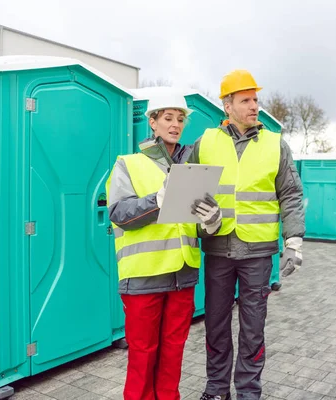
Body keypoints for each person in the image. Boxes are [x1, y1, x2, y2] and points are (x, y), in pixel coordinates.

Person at [187, 70, 306, 400]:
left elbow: (291, 194)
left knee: (253, 328)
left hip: (257, 253)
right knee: (216, 324)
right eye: (246, 100)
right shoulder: (206, 142)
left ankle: (249, 392)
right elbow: (189, 192)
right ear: (227, 105)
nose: (254, 106)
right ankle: (216, 389)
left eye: (256, 99)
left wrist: (293, 240)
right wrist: (202, 222)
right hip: (218, 249)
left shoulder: (274, 144)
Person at [105, 89, 223, 400]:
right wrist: (157, 200)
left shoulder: (192, 168)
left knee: (173, 353)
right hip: (144, 276)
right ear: (153, 123)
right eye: (168, 118)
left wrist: (210, 222)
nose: (175, 124)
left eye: (180, 119)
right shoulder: (128, 164)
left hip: (182, 275)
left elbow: (191, 223)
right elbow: (118, 214)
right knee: (143, 355)